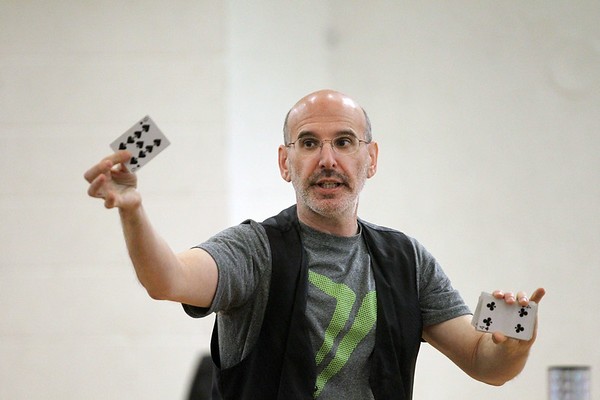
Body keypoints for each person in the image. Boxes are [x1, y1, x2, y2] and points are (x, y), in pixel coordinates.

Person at [84, 89, 546, 400]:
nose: (327, 160)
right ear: (286, 162)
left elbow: (488, 365)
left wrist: (513, 343)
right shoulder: (254, 250)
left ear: (371, 158)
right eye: (309, 143)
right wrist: (132, 210)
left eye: (344, 142)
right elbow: (168, 279)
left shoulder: (407, 261)